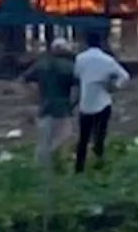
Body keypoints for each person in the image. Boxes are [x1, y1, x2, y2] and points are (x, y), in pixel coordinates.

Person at [73, 30, 130, 173]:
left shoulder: (80, 59)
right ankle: (99, 165)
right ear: (101, 43)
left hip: (85, 103)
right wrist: (114, 87)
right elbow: (125, 76)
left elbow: (76, 75)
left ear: (86, 43)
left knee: (83, 138)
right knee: (99, 136)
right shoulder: (107, 60)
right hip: (103, 102)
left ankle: (79, 168)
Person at [20, 37, 77, 170]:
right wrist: (73, 103)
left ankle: (42, 169)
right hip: (63, 109)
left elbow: (22, 81)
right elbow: (78, 88)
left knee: (43, 141)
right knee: (64, 137)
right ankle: (56, 165)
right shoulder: (70, 67)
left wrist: (33, 96)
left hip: (44, 107)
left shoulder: (41, 64)